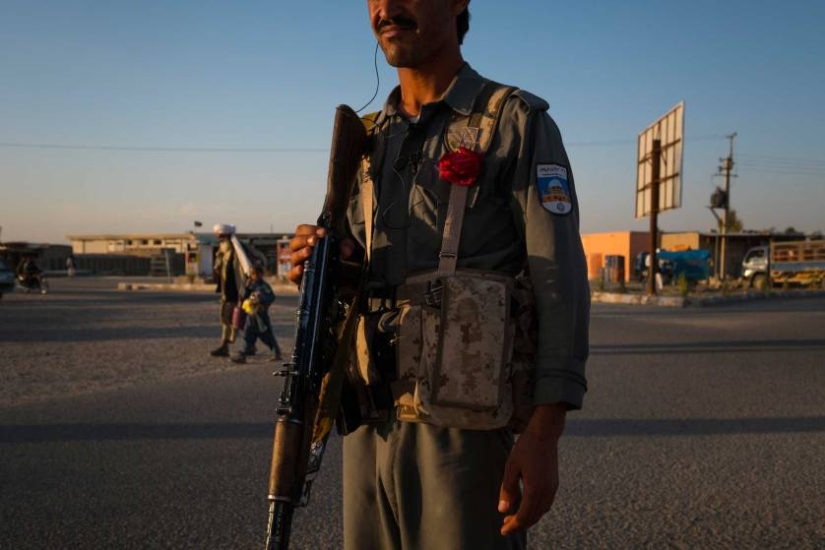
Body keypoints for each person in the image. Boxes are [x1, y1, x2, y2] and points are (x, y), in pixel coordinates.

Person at [288, 2, 590, 548]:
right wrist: (322, 263)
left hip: (465, 436)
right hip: (367, 426)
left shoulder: (514, 122)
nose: (385, 7)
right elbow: (360, 269)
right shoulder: (366, 141)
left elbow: (559, 284)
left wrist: (545, 433)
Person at [230, 265, 283, 364]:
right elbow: (243, 296)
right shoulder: (250, 285)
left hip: (261, 316)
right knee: (247, 334)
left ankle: (276, 353)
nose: (253, 276)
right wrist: (246, 286)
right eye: (252, 274)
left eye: (255, 273)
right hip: (251, 315)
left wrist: (262, 301)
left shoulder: (263, 286)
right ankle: (243, 355)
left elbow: (271, 297)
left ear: (260, 274)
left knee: (266, 335)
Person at [210, 224, 244, 357]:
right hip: (230, 292)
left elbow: (231, 272)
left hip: (233, 292)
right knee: (244, 321)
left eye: (221, 237)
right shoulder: (227, 251)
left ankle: (225, 346)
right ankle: (249, 345)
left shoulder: (231, 250)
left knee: (229, 319)